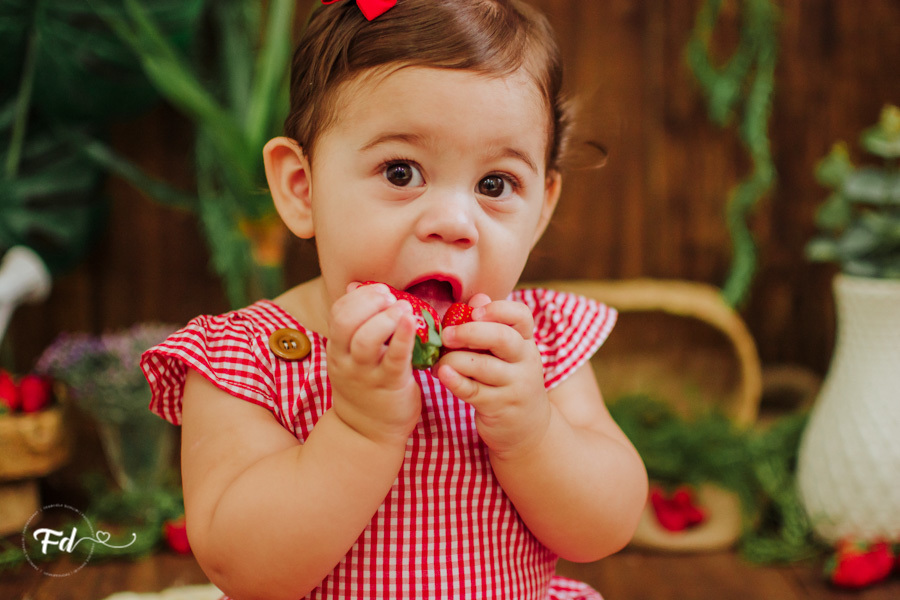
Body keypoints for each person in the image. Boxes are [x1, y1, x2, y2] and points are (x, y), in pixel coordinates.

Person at [142, 0, 648, 598]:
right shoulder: (247, 360)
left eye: (495, 184)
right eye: (401, 172)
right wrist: (359, 431)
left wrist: (533, 432)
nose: (454, 222)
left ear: (541, 208)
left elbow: (606, 527)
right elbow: (240, 566)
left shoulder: (535, 344)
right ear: (302, 189)